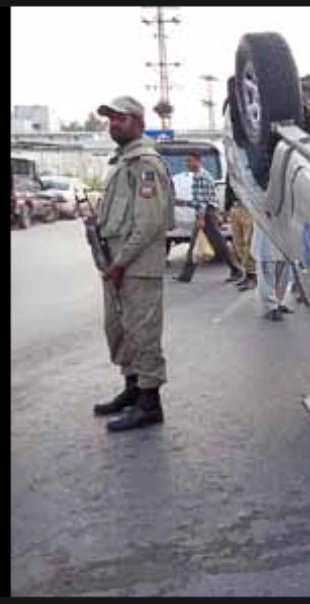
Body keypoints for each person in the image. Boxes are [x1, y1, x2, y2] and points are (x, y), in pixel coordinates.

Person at [90, 96, 175, 432]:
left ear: (139, 122)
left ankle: (150, 403)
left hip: (136, 266)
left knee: (143, 333)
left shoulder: (145, 165)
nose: (113, 124)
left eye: (120, 119)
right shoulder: (123, 163)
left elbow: (148, 223)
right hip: (117, 265)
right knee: (120, 331)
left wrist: (120, 263)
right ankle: (132, 389)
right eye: (110, 119)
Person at [173, 152, 242, 283]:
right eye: (187, 161)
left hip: (207, 214)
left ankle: (236, 269)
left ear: (198, 161)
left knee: (219, 244)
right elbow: (199, 200)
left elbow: (203, 202)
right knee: (194, 244)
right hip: (205, 213)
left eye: (190, 161)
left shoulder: (202, 177)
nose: (187, 164)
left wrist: (201, 218)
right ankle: (186, 275)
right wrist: (184, 203)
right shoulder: (199, 176)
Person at [251, 226, 305, 320]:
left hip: (284, 229)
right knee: (268, 269)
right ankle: (270, 307)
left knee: (283, 268)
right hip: (267, 229)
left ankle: (279, 302)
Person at [224, 178, 257, 291]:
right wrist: (227, 207)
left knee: (248, 241)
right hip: (235, 207)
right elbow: (228, 187)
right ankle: (247, 273)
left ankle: (253, 275)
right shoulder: (232, 165)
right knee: (238, 243)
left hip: (248, 207)